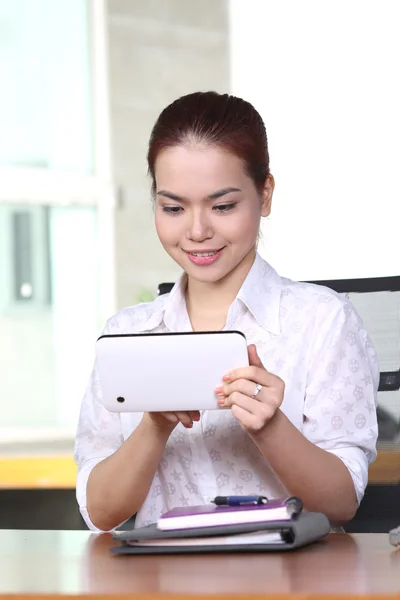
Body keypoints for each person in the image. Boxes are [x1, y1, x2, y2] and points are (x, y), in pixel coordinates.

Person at [75, 91, 379, 532]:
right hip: (162, 586)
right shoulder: (128, 333)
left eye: (223, 206)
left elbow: (341, 503)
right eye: (173, 207)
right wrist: (154, 427)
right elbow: (100, 514)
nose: (197, 231)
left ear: (265, 193)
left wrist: (271, 428)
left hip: (290, 586)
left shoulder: (322, 321)